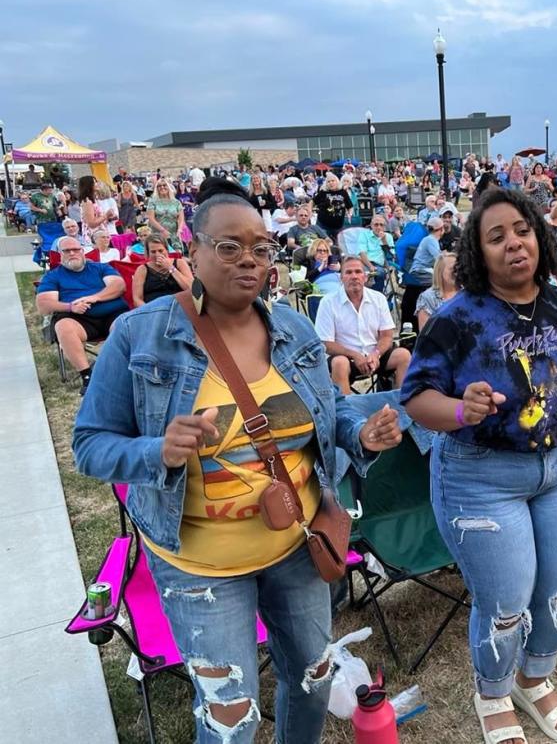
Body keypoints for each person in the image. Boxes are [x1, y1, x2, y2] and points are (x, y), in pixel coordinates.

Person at [72, 179, 402, 744]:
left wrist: (360, 433)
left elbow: (328, 417)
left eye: (260, 248)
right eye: (229, 246)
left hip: (297, 546)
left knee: (313, 680)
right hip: (201, 566)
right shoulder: (140, 335)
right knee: (233, 719)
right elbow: (90, 444)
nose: (248, 259)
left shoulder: (295, 330)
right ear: (192, 250)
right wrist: (157, 450)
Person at [401, 187, 557, 744]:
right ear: (480, 253)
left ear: (539, 237)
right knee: (504, 602)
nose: (513, 243)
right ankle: (494, 690)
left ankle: (535, 677)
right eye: (495, 236)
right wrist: (459, 408)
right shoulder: (457, 318)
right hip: (480, 477)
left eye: (521, 230)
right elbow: (414, 399)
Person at [35, 236, 128, 394]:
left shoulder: (100, 268)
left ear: (82, 251)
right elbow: (43, 305)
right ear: (60, 254)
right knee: (63, 327)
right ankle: (87, 375)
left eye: (76, 249)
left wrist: (95, 297)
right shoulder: (53, 276)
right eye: (67, 250)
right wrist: (71, 306)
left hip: (111, 314)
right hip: (78, 319)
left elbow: (119, 286)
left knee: (125, 324)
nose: (72, 253)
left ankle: (119, 372)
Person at [315, 256, 410, 395]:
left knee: (404, 355)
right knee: (340, 363)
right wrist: (355, 355)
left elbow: (387, 336)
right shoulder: (328, 302)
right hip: (346, 358)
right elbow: (326, 343)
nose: (354, 276)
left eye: (358, 272)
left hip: (375, 355)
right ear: (341, 278)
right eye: (348, 272)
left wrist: (376, 354)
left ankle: (402, 407)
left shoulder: (378, 298)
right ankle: (347, 413)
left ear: (365, 277)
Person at [131, 234, 194, 307]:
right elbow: (137, 299)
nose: (157, 255)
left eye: (160, 250)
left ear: (167, 250)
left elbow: (191, 289)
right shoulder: (142, 269)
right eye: (153, 252)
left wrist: (171, 268)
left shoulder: (180, 263)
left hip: (179, 306)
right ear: (148, 253)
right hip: (153, 308)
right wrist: (150, 311)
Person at [415, 252, 458, 330]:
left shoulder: (468, 294)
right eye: (452, 269)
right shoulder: (427, 298)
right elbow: (424, 333)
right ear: (440, 271)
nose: (456, 272)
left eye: (459, 268)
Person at [146, 178, 185, 252]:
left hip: (174, 234)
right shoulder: (152, 202)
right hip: (158, 234)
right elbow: (151, 218)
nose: (162, 187)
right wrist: (162, 230)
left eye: (164, 185)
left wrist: (179, 230)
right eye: (159, 186)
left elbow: (181, 218)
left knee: (177, 255)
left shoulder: (176, 202)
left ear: (168, 187)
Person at [313, 174, 352, 242]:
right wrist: (309, 211)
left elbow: (350, 206)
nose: (331, 183)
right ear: (326, 184)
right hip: (323, 225)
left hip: (338, 226)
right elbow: (312, 201)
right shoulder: (323, 192)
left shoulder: (343, 192)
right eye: (328, 181)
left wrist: (350, 214)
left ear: (337, 182)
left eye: (333, 181)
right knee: (323, 244)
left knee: (339, 246)